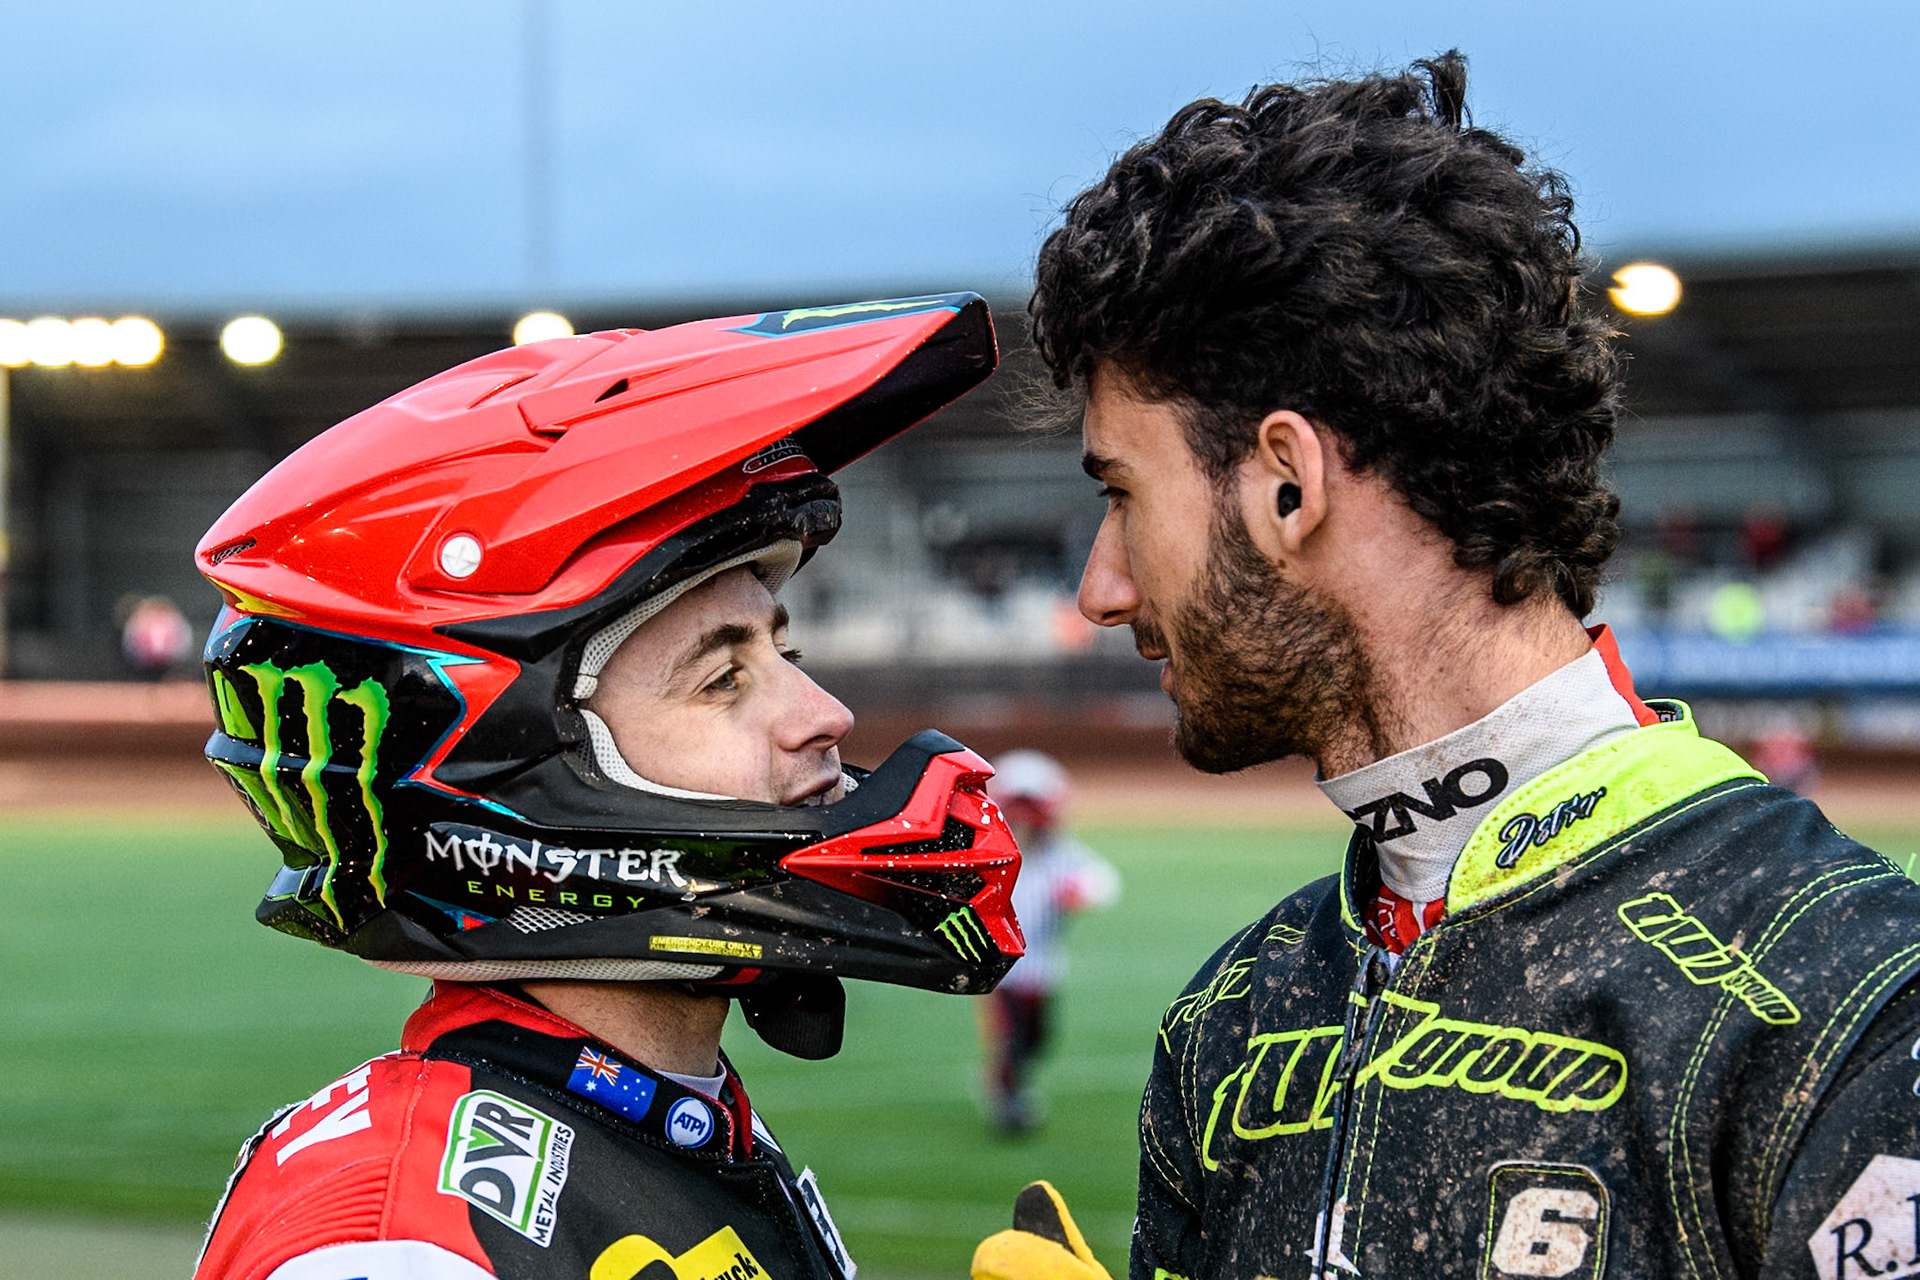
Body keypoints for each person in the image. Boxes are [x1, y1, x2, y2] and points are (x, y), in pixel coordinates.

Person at [974, 53, 1920, 1280]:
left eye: (1121, 494)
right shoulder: (1234, 1017)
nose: (1099, 587)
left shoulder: (1842, 995)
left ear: (1287, 481)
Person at [189, 294, 1028, 1280]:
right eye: (723, 677)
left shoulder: (658, 1124)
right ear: (514, 769)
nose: (824, 713)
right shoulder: (403, 1239)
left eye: (783, 647)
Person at [976, 749, 1119, 1134]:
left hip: (1043, 968)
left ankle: (1011, 1085)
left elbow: (1101, 879)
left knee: (1038, 1040)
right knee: (1011, 1040)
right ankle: (1008, 1100)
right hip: (1000, 968)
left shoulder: (1059, 854)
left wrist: (1079, 892)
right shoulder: (991, 853)